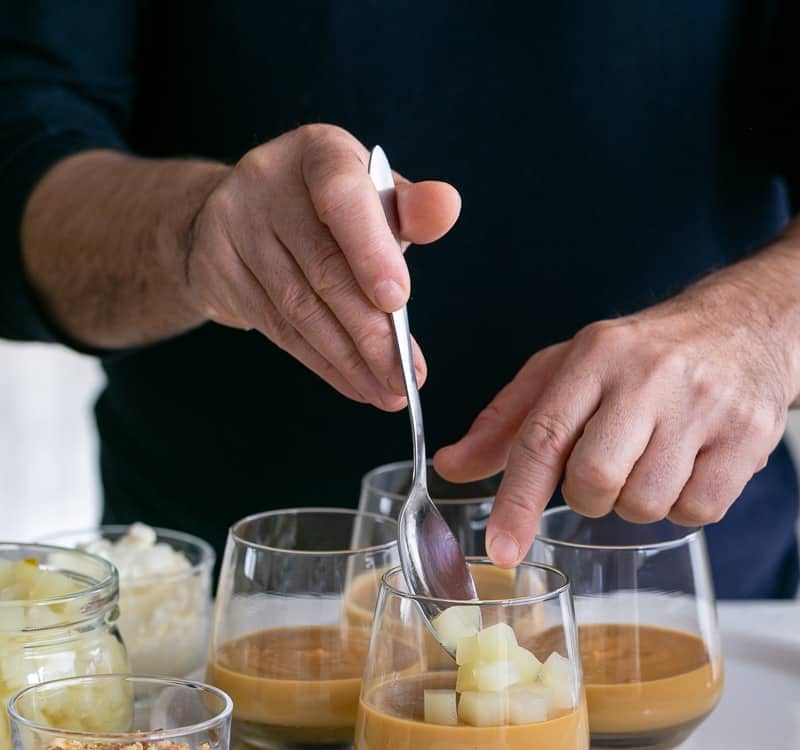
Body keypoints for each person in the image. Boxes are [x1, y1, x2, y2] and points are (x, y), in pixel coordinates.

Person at [0, 3, 798, 598]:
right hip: (219, 632)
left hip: (703, 617)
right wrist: (193, 235)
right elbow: (22, 145)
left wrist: (760, 328)